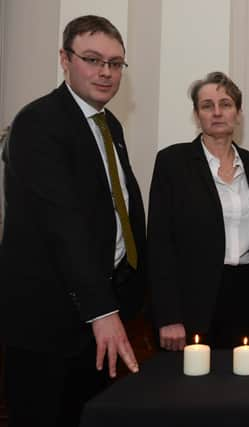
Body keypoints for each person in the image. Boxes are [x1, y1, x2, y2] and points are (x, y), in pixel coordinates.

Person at [0, 15, 146, 427]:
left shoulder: (108, 124)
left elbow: (117, 211)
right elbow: (62, 225)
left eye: (115, 63)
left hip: (99, 314)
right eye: (93, 59)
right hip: (48, 324)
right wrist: (103, 312)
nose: (105, 72)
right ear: (65, 59)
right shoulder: (38, 123)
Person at [148, 72, 249, 350]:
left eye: (225, 104)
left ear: (238, 113)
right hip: (192, 302)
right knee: (190, 390)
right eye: (207, 106)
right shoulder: (173, 163)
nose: (217, 112)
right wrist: (169, 316)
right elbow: (159, 244)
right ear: (197, 114)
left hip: (248, 298)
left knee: (242, 387)